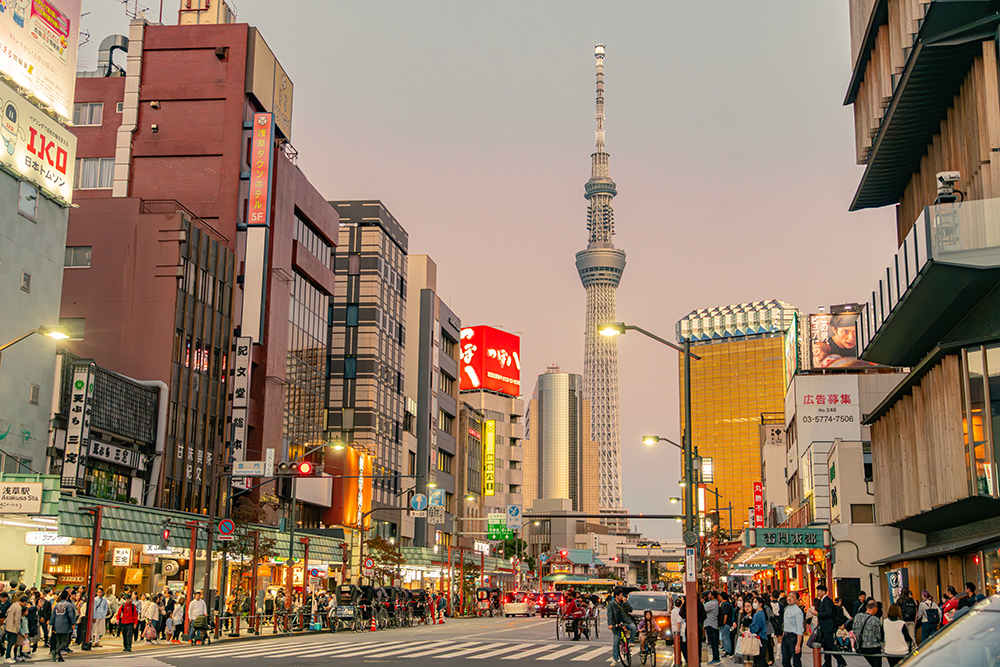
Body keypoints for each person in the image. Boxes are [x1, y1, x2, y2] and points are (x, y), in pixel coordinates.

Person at [816, 584, 847, 667]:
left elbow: (828, 612)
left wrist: (818, 614)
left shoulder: (827, 601)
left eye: (818, 591)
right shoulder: (823, 600)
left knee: (829, 644)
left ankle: (841, 661)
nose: (817, 593)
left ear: (823, 592)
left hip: (828, 627)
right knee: (826, 645)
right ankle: (827, 662)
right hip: (825, 626)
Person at [607, 588, 637, 666]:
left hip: (626, 622)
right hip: (616, 624)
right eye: (620, 595)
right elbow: (609, 614)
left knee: (633, 627)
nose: (622, 596)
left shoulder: (624, 602)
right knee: (616, 641)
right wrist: (610, 624)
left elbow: (630, 610)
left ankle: (631, 642)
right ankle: (615, 659)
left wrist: (626, 602)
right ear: (616, 596)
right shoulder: (611, 604)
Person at [853, 600, 883, 667]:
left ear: (866, 607)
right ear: (874, 609)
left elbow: (855, 630)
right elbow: (878, 636)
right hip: (873, 647)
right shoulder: (875, 620)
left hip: (861, 647)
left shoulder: (858, 616)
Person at [50, 591, 75, 663]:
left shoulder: (56, 605)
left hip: (57, 624)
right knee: (65, 641)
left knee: (59, 640)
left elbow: (53, 615)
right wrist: (73, 622)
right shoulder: (68, 605)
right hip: (65, 624)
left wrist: (51, 623)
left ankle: (59, 656)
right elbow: (71, 615)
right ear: (67, 597)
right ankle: (57, 651)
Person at [781, 592, 804, 667]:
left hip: (794, 637)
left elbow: (800, 629)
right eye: (789, 596)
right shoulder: (786, 608)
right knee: (785, 661)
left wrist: (798, 644)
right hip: (786, 636)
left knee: (796, 661)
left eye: (792, 597)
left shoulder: (797, 611)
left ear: (797, 600)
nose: (789, 598)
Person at [748, 595, 769, 667]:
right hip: (762, 638)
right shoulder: (761, 613)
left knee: (759, 660)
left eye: (755, 602)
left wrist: (749, 625)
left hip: (759, 639)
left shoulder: (758, 614)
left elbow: (755, 628)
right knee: (761, 660)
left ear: (760, 604)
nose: (754, 603)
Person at [4, 593, 24, 664]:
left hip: (8, 626)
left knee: (9, 642)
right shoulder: (18, 608)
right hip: (13, 628)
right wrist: (18, 628)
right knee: (11, 643)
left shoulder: (13, 605)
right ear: (23, 602)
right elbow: (17, 619)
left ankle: (8, 656)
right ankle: (7, 657)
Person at [705, 591, 721, 665]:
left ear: (713, 596)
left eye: (709, 594)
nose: (708, 595)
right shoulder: (715, 603)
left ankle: (716, 658)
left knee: (713, 642)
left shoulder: (712, 603)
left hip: (711, 624)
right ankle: (715, 658)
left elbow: (705, 609)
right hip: (712, 624)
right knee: (713, 643)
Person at [671, 597, 688, 664]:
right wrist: (678, 632)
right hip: (679, 632)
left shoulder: (673, 611)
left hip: (675, 631)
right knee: (682, 647)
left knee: (678, 647)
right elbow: (678, 622)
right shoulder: (679, 611)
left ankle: (678, 660)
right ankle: (684, 659)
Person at [720, 592, 735, 658]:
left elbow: (725, 615)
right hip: (726, 624)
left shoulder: (725, 605)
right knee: (725, 637)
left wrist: (723, 623)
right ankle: (727, 650)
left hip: (726, 624)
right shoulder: (727, 604)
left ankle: (728, 651)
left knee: (726, 638)